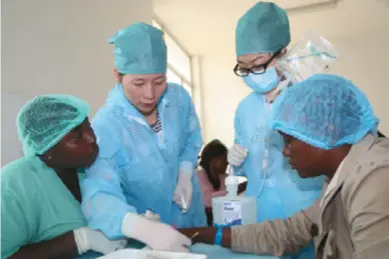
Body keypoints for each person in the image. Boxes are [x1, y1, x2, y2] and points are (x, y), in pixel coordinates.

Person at [180, 74, 389, 259]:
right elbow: (289, 232)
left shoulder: (376, 179)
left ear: (327, 131)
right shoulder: (342, 176)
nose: (285, 151)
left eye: (289, 141)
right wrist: (203, 234)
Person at [80, 22, 206, 253]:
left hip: (192, 219)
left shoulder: (178, 99)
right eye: (138, 83)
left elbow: (192, 137)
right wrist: (140, 227)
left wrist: (186, 171)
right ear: (118, 75)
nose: (150, 94)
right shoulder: (107, 125)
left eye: (159, 81)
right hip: (149, 241)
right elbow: (98, 195)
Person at [227, 2, 325, 258]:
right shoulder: (244, 108)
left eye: (258, 64)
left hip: (305, 210)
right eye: (243, 67)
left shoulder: (309, 94)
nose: (250, 73)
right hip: (259, 212)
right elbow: (247, 164)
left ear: (282, 53)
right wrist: (235, 163)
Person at [1, 95, 127, 259]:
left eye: (87, 125)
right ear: (47, 149)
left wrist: (133, 225)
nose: (90, 137)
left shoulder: (93, 168)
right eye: (76, 136)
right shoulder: (14, 184)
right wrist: (80, 241)